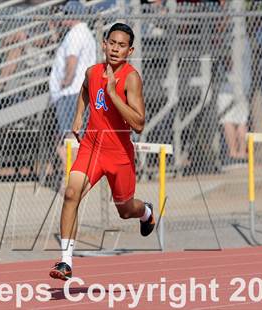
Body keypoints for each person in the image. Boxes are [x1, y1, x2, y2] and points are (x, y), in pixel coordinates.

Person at [49, 23, 155, 281]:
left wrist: (113, 95)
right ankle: (65, 262)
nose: (116, 49)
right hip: (92, 147)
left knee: (125, 209)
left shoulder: (131, 78)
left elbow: (139, 124)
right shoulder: (92, 71)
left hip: (119, 154)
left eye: (122, 46)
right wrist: (77, 116)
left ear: (130, 50)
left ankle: (147, 212)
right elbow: (85, 89)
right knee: (71, 193)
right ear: (104, 44)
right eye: (112, 43)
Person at [48, 0, 97, 190]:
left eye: (67, 14)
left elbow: (72, 61)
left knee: (70, 137)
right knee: (65, 137)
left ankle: (74, 179)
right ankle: (73, 176)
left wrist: (65, 81)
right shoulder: (83, 32)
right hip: (76, 91)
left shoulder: (76, 33)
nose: (64, 18)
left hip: (71, 92)